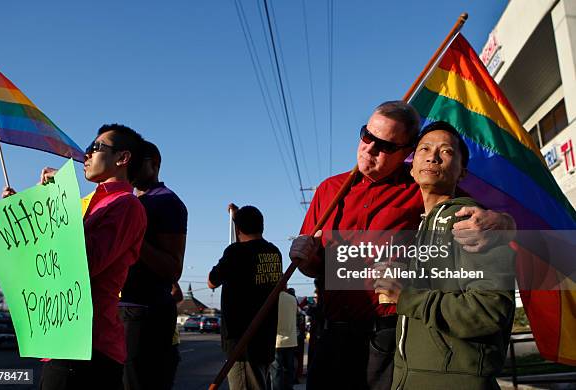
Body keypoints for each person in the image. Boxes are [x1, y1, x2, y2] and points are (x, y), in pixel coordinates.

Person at [289, 101, 516, 390]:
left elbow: (477, 214)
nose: (369, 148)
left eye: (384, 146)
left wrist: (504, 221)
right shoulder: (329, 190)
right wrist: (305, 259)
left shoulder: (421, 186)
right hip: (330, 334)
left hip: (385, 337)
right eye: (366, 136)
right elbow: (313, 263)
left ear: (406, 154)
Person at [3, 124, 147, 389]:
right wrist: (22, 218)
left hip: (91, 347)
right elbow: (49, 260)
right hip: (61, 341)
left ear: (122, 158)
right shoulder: (89, 204)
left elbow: (83, 263)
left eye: (95, 148)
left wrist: (62, 202)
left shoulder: (127, 205)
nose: (86, 155)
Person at [373, 121, 515, 389]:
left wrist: (407, 297)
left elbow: (490, 312)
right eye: (424, 149)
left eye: (446, 151)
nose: (432, 156)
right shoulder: (420, 228)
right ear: (412, 169)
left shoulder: (472, 221)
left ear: (462, 172)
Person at [119, 140, 187, 390]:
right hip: (119, 310)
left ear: (155, 164)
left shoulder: (166, 202)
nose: (131, 165)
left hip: (142, 312)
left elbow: (173, 268)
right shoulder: (126, 201)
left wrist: (134, 238)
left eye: (139, 160)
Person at [208, 204, 283, 390]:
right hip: (265, 336)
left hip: (242, 342)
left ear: (238, 229)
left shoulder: (234, 252)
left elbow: (212, 281)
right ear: (262, 226)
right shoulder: (274, 253)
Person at [270, 287, 298, 390]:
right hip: (291, 340)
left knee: (276, 371)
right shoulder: (292, 299)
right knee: (289, 370)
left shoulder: (272, 298)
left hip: (277, 340)